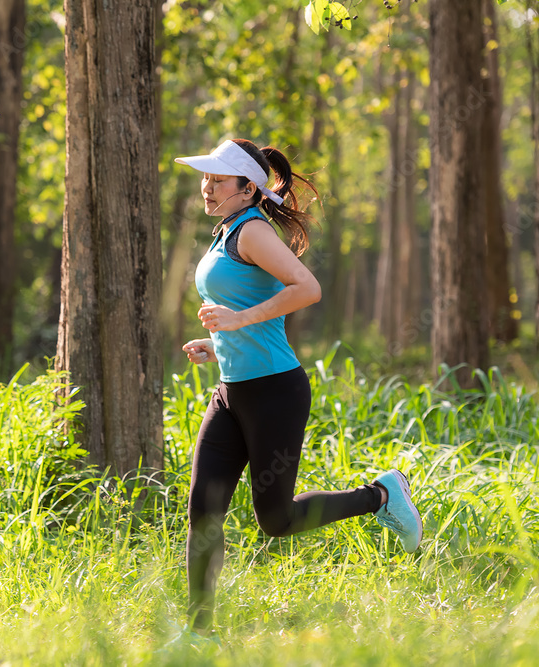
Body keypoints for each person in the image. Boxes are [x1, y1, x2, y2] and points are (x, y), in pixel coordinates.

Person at [174, 138, 423, 633]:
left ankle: (380, 496)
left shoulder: (252, 232)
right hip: (231, 391)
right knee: (204, 512)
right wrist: (215, 340)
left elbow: (307, 288)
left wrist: (238, 319)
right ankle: (198, 635)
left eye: (217, 180)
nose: (206, 187)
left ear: (247, 188)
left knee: (276, 520)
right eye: (205, 178)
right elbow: (244, 308)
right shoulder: (226, 229)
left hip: (274, 393)